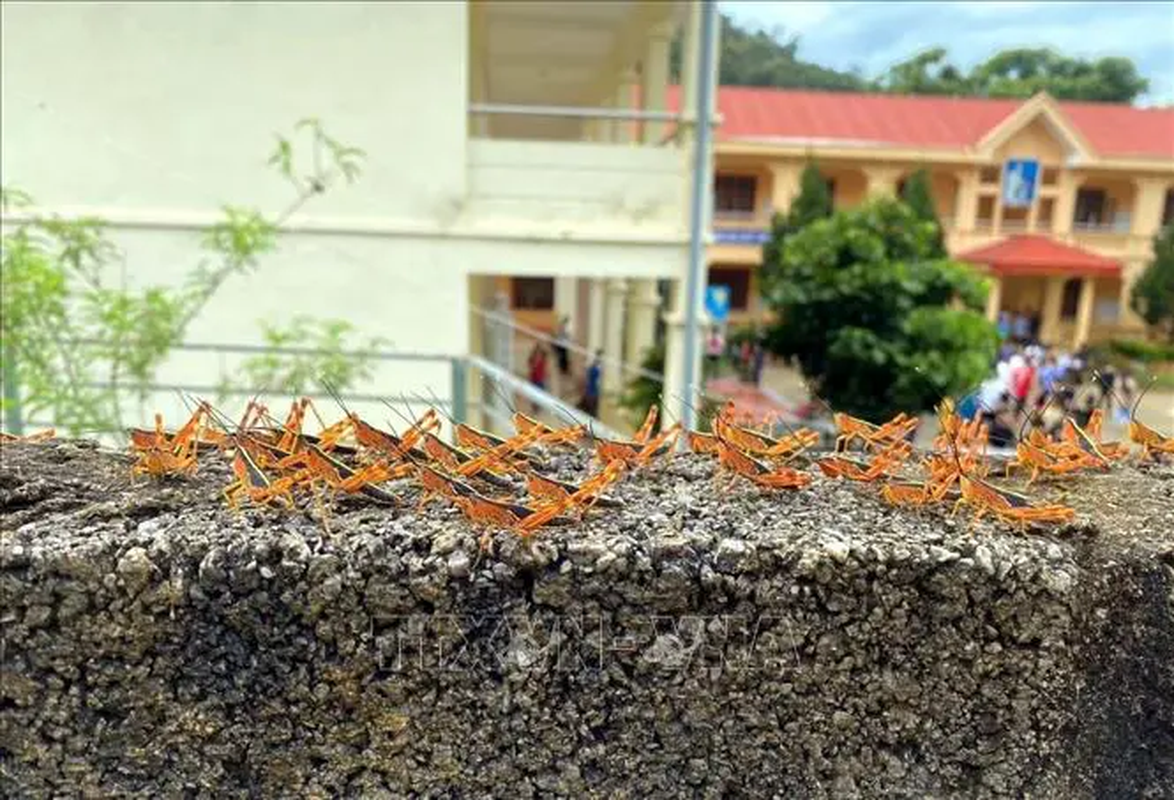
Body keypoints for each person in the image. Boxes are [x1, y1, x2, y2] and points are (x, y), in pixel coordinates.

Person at [581, 350, 603, 418]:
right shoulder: (595, 369)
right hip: (592, 391)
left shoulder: (593, 368)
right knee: (592, 405)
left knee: (592, 405)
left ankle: (592, 414)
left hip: (592, 390)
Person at [527, 344, 548, 413]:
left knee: (540, 393)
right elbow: (530, 367)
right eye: (537, 352)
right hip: (534, 378)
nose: (538, 354)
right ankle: (535, 407)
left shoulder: (543, 359)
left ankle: (538, 407)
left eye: (539, 352)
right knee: (533, 393)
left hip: (540, 379)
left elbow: (545, 369)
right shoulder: (532, 359)